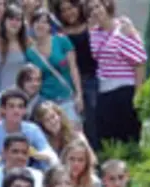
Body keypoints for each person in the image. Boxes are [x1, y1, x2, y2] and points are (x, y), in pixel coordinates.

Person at [86, 0, 146, 148]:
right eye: (90, 9)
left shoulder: (123, 29)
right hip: (104, 90)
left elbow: (140, 61)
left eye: (97, 6)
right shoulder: (94, 33)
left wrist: (139, 93)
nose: (95, 11)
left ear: (106, 6)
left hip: (124, 89)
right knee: (107, 137)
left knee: (128, 136)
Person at [0, 88, 57, 173]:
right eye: (11, 106)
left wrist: (35, 154)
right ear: (3, 109)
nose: (16, 110)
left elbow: (51, 155)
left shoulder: (33, 130)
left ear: (25, 110)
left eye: (20, 106)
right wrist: (5, 158)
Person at [26, 8, 83, 124]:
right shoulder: (30, 53)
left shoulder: (62, 41)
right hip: (46, 102)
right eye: (36, 22)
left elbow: (74, 69)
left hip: (67, 97)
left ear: (49, 26)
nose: (40, 25)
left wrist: (79, 95)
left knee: (74, 134)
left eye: (44, 22)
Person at [54, 0, 97, 149]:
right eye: (63, 10)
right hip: (71, 82)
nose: (68, 13)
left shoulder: (90, 26)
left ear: (78, 7)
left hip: (92, 79)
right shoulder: (60, 34)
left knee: (93, 119)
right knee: (75, 122)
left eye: (70, 8)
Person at [0, 63, 43, 129]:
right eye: (29, 80)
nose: (34, 84)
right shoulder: (7, 95)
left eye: (37, 80)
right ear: (21, 81)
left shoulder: (38, 99)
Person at [0, 4, 29, 91]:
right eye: (11, 19)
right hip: (2, 94)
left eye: (18, 20)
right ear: (4, 21)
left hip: (23, 95)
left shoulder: (27, 43)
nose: (14, 23)